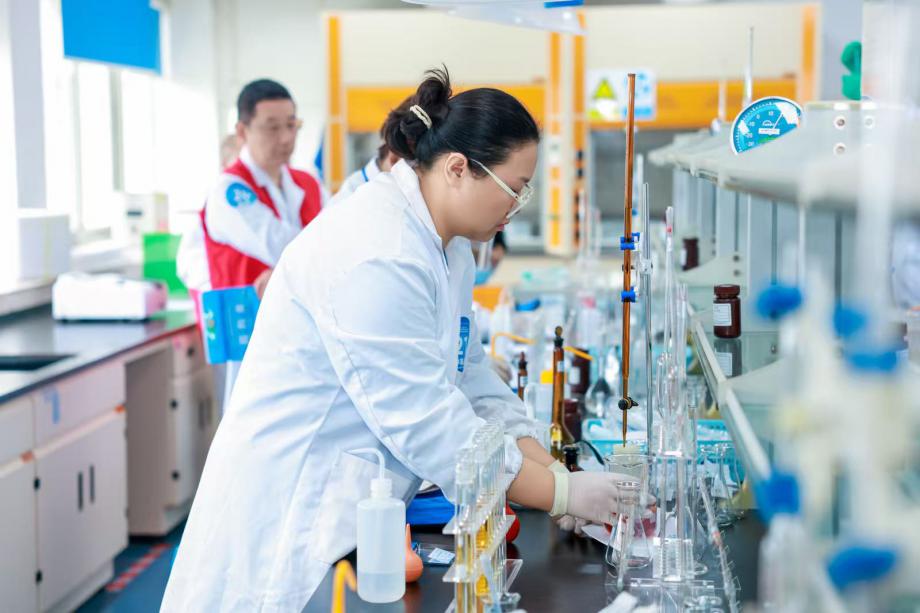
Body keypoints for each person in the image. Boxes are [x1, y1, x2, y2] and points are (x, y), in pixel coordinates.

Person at [161, 68, 635, 612]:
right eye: (515, 187)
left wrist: (552, 472)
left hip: (348, 513)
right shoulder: (378, 250)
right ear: (458, 169)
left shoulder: (448, 245)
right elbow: (428, 422)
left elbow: (471, 378)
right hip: (288, 517)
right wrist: (562, 494)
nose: (517, 204)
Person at [201, 78, 327, 298]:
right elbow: (282, 247)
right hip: (246, 317)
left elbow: (337, 238)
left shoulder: (309, 183)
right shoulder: (230, 191)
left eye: (291, 125)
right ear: (242, 132)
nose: (286, 138)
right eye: (272, 128)